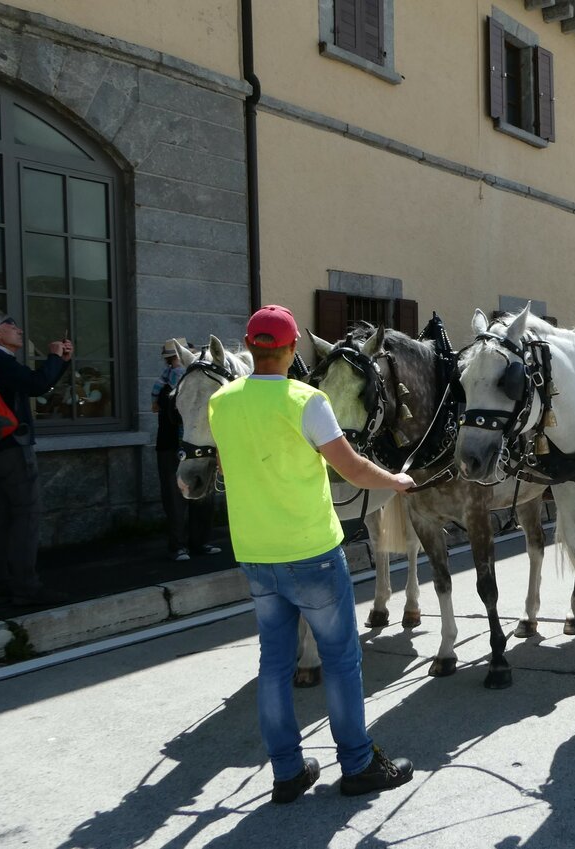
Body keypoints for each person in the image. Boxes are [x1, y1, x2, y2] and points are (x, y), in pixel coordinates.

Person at [207, 304, 416, 803]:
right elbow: (353, 468)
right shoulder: (307, 400)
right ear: (293, 348)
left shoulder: (220, 402)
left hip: (255, 553)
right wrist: (396, 480)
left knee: (274, 664)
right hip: (311, 553)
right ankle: (359, 764)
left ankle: (287, 772)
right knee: (342, 659)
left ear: (249, 344)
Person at [0, 312, 72, 606]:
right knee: (26, 517)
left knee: (4, 518)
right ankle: (26, 587)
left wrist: (61, 362)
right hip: (13, 448)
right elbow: (35, 385)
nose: (18, 329)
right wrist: (54, 356)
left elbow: (37, 383)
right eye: (10, 325)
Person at [153, 338, 221, 562]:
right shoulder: (170, 384)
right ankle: (179, 545)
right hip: (173, 446)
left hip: (192, 446)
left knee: (202, 496)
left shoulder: (185, 381)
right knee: (176, 499)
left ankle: (199, 542)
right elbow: (164, 411)